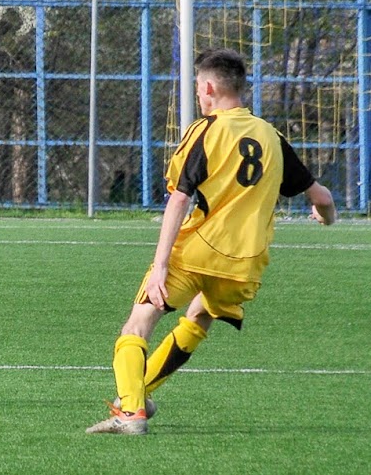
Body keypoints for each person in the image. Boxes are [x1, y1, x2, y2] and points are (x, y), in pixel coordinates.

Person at [86, 48, 336, 435]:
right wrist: (325, 217)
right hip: (244, 264)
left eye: (198, 91)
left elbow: (180, 199)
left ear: (207, 87)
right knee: (199, 316)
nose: (199, 98)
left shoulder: (206, 130)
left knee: (137, 326)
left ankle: (131, 413)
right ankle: (136, 396)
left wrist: (161, 266)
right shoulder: (272, 137)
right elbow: (323, 198)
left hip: (197, 249)